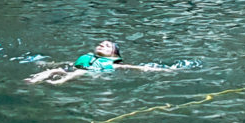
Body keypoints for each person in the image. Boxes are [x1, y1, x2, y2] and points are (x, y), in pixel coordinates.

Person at [25, 40, 172, 84]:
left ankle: (60, 82)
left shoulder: (114, 64)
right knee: (54, 71)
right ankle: (33, 80)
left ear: (114, 54)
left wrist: (162, 70)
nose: (102, 45)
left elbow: (136, 68)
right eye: (101, 44)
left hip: (92, 76)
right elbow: (67, 64)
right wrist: (47, 65)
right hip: (76, 72)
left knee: (80, 71)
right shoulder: (89, 59)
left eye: (107, 46)